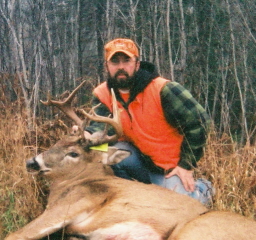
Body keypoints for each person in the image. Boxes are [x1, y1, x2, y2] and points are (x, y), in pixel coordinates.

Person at [84, 38, 213, 205]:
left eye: (127, 61)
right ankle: (131, 195)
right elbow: (101, 127)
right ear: (107, 66)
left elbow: (200, 122)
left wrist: (186, 165)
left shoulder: (163, 89)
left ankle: (203, 188)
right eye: (115, 61)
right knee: (101, 152)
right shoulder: (102, 94)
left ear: (137, 64)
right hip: (135, 157)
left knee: (182, 205)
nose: (121, 67)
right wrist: (88, 134)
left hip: (166, 168)